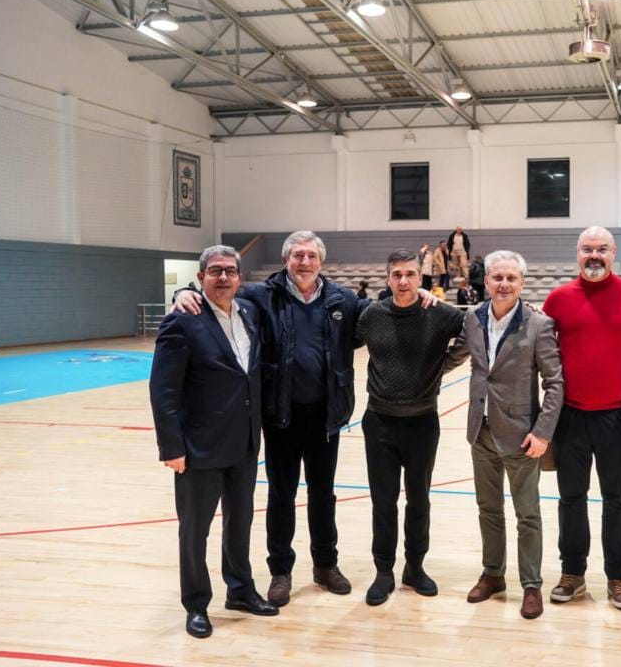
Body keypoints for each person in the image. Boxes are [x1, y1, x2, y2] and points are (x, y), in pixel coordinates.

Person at [171, 232, 435, 607]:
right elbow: (218, 293)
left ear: (321, 261)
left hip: (326, 417)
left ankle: (326, 565)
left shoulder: (343, 300)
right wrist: (182, 291)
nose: (304, 262)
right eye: (297, 255)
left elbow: (386, 311)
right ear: (285, 260)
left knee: (323, 494)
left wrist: (421, 295)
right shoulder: (260, 297)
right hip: (279, 417)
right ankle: (281, 570)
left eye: (311, 255)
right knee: (281, 495)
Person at [151, 245, 278, 638]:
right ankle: (196, 604)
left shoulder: (251, 314)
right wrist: (171, 447)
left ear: (240, 277)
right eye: (215, 271)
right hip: (198, 448)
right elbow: (163, 389)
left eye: (230, 271)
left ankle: (240, 590)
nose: (223, 277)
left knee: (240, 523)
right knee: (195, 530)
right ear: (201, 277)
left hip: (243, 444)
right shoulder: (183, 321)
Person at [445, 250, 564, 620]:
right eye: (497, 277)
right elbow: (456, 356)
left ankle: (531, 585)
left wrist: (543, 433)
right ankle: (493, 574)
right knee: (488, 509)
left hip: (521, 436)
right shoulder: (473, 319)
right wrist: (419, 370)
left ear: (522, 283)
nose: (504, 284)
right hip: (479, 430)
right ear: (486, 281)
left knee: (527, 514)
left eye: (511, 278)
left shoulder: (539, 325)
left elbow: (555, 384)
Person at [543, 226, 621, 611]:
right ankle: (572, 571)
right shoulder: (557, 300)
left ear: (614, 252)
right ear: (576, 254)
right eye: (587, 249)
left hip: (618, 417)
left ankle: (618, 577)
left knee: (617, 499)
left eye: (601, 249)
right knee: (570, 498)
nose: (594, 255)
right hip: (569, 417)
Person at [356, 249, 466, 606]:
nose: (403, 281)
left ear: (421, 278)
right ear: (387, 279)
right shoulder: (372, 314)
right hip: (379, 422)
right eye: (396, 275)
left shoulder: (440, 313)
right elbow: (343, 337)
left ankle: (414, 568)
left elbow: (477, 327)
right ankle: (384, 571)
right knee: (383, 501)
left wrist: (443, 367)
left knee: (419, 500)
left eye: (410, 274)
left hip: (422, 422)